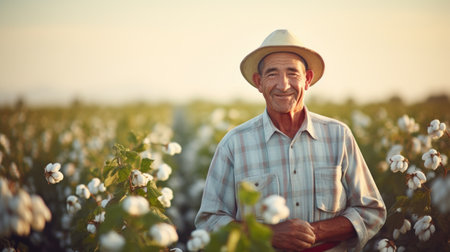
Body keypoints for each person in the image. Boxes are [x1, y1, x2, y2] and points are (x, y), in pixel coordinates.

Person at [195, 29, 386, 251]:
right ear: (259, 82)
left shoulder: (339, 136)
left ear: (307, 80)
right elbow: (209, 222)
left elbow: (371, 211)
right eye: (272, 74)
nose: (283, 85)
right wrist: (269, 235)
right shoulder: (234, 144)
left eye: (293, 73)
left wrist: (312, 233)